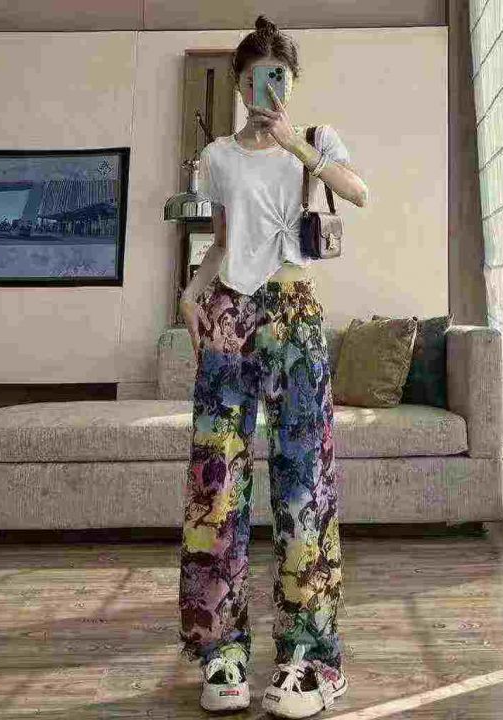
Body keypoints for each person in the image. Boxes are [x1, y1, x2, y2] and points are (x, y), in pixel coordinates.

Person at [177, 14, 369, 718]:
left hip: (295, 315)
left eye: (281, 77)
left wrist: (296, 145)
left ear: (292, 81)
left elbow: (358, 192)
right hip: (228, 315)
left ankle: (311, 657)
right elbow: (225, 242)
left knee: (302, 486)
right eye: (258, 79)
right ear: (239, 84)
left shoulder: (315, 140)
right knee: (217, 486)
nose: (270, 90)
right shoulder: (218, 157)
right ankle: (222, 650)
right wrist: (190, 293)